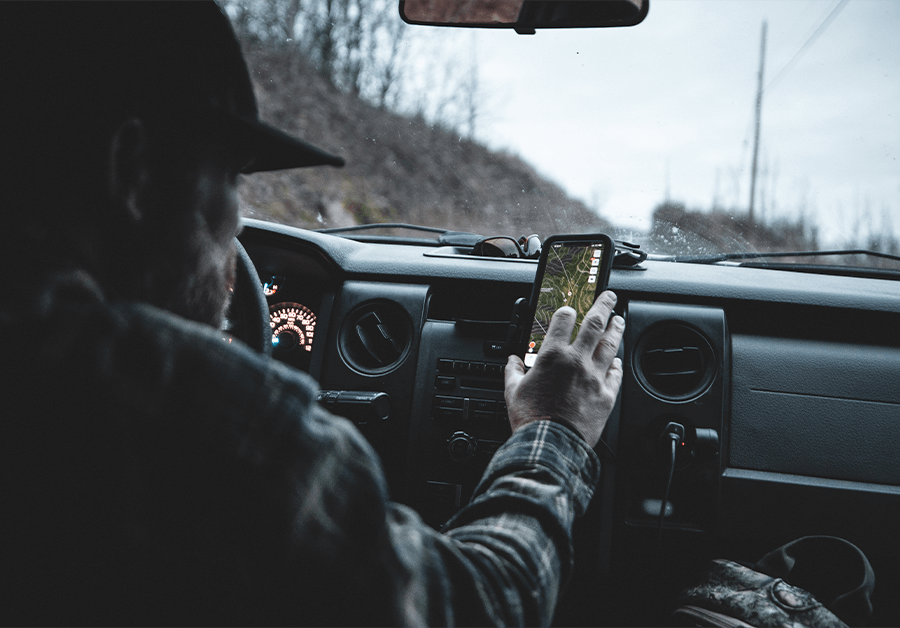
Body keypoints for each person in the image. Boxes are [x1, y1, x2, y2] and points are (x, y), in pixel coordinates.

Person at [0, 2, 625, 626]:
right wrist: (555, 431)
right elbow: (487, 604)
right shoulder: (216, 426)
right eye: (231, 178)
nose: (239, 221)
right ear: (131, 171)